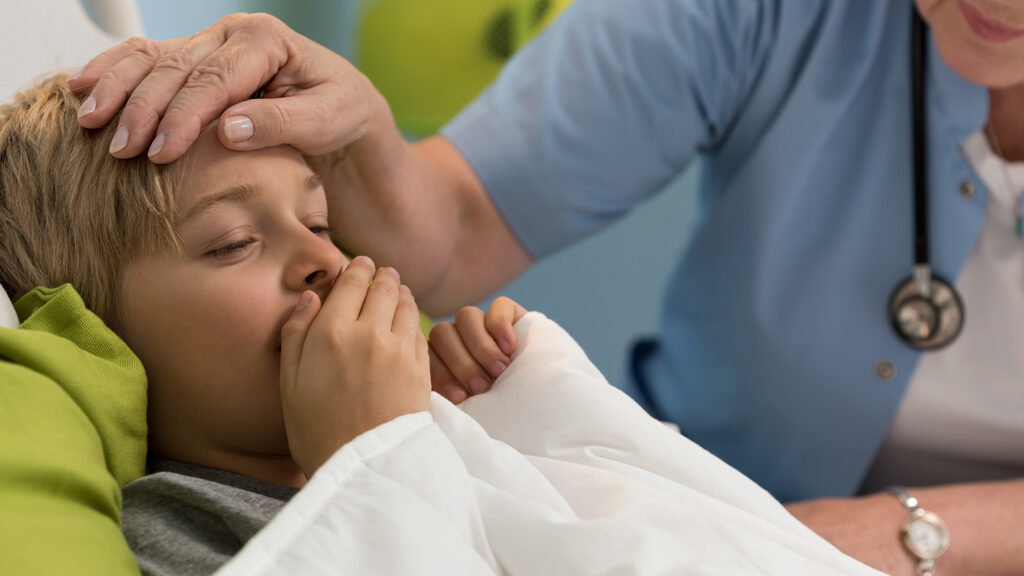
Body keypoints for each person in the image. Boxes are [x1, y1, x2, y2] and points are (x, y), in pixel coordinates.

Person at [68, 1, 1024, 573]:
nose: (333, 260)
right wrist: (385, 457)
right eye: (234, 241)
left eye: (323, 219)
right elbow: (456, 227)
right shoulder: (180, 531)